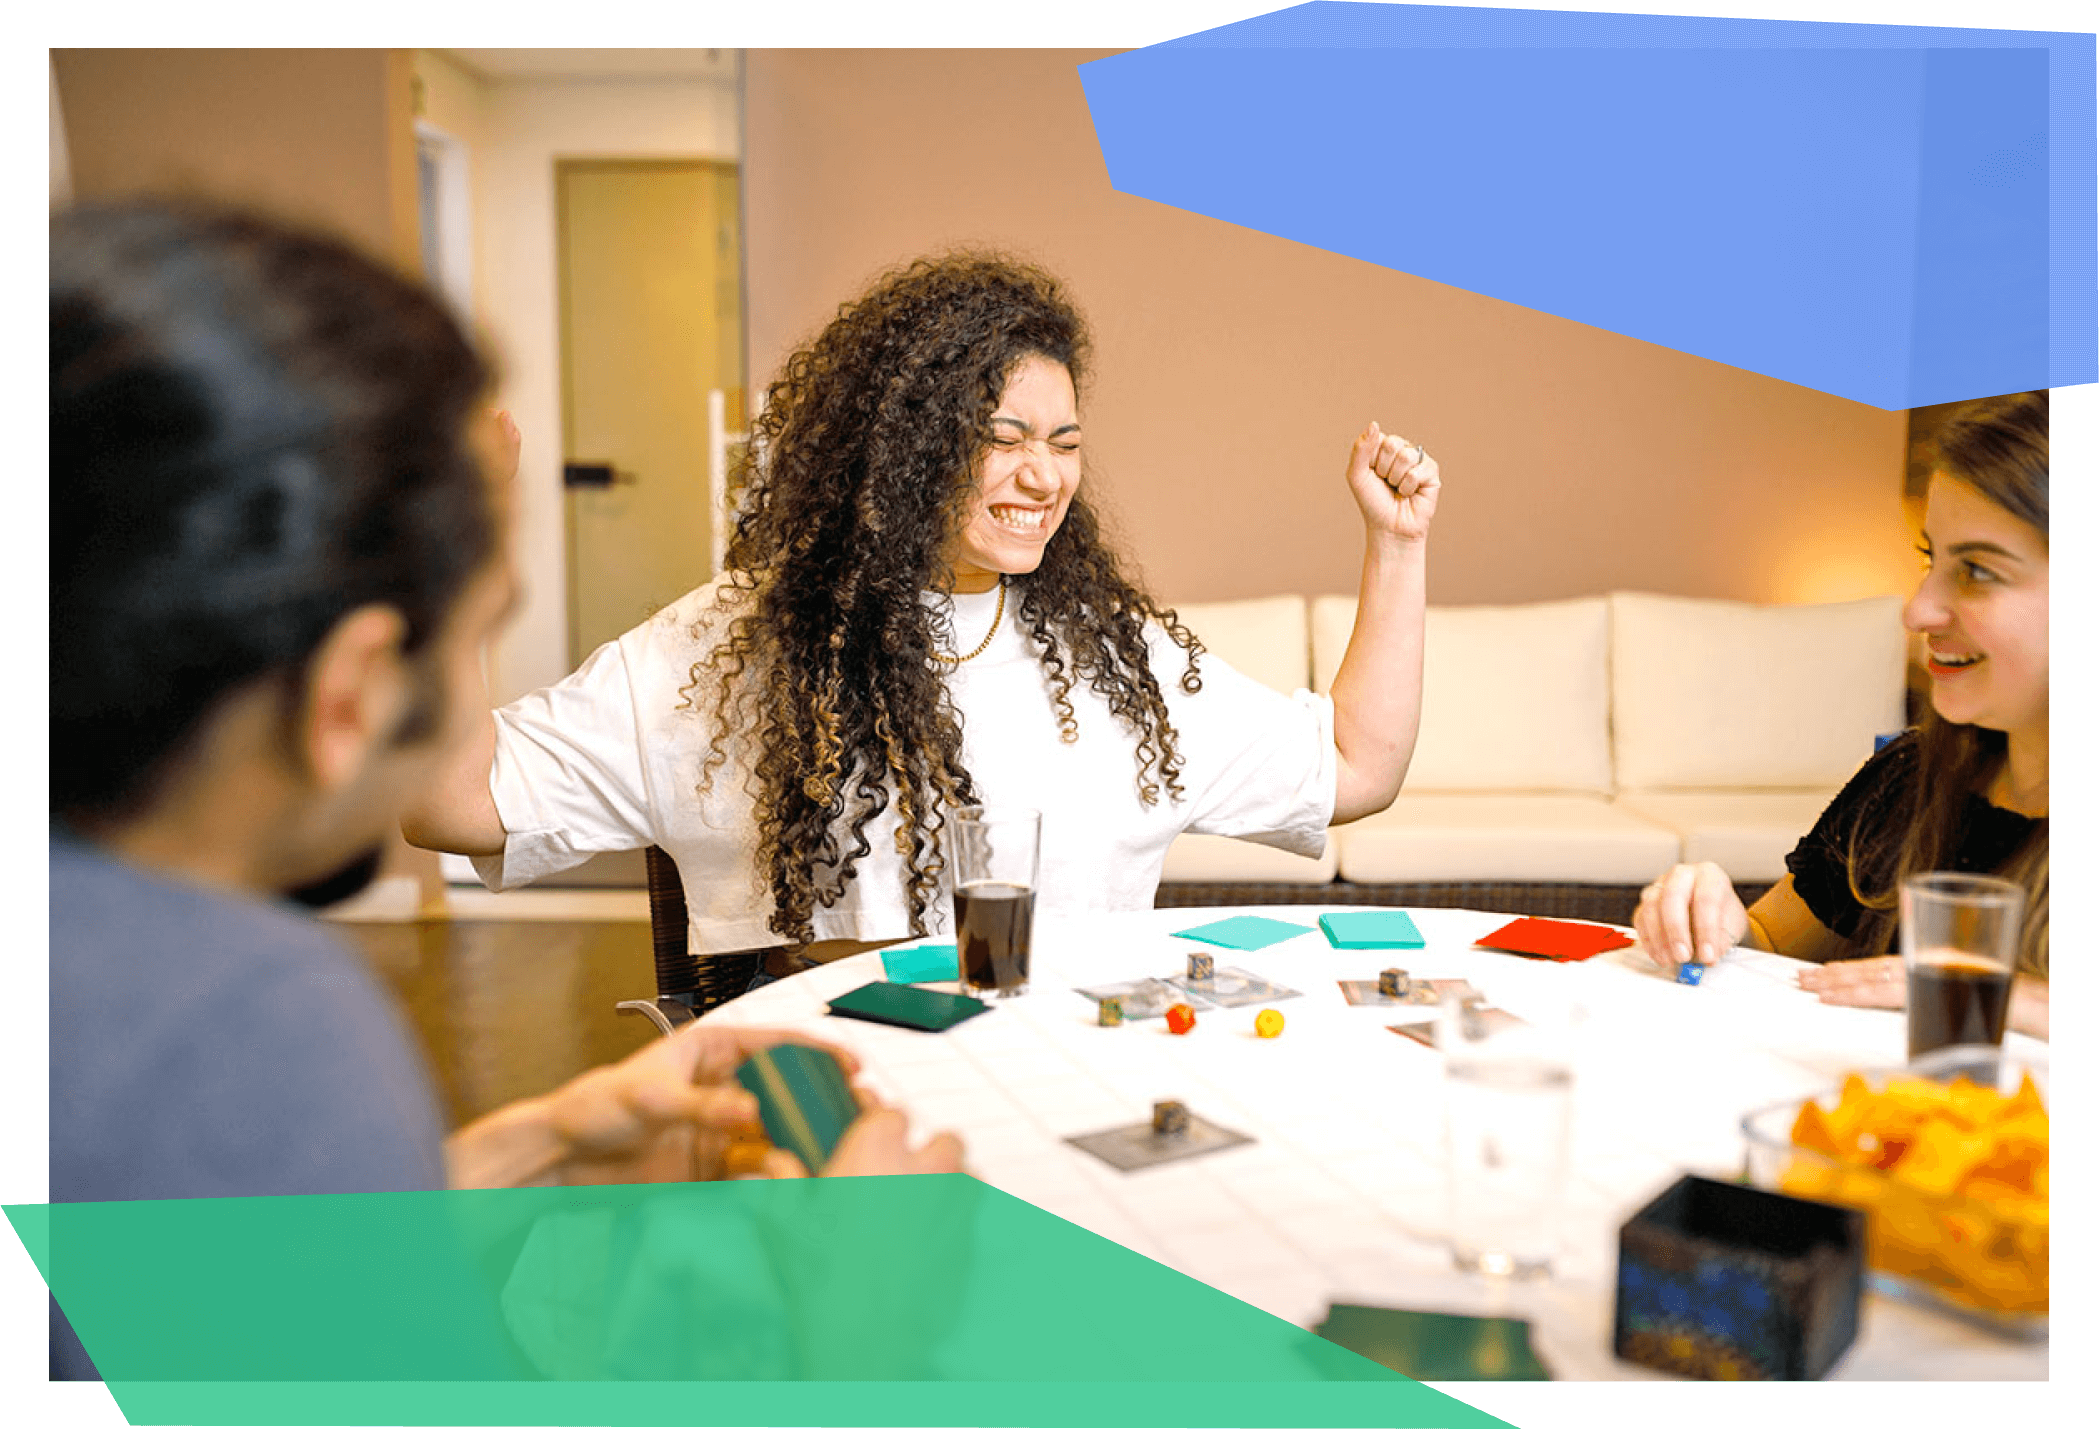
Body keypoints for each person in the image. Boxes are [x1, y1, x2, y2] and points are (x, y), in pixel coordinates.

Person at [48, 201, 962, 1381]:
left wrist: (526, 1150)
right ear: (352, 692)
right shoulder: (237, 1025)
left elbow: (237, 1296)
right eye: (477, 630)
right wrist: (846, 1334)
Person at [402, 253, 1440, 988]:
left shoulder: (1112, 655)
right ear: (902, 447)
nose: (1044, 475)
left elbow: (1358, 766)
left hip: (1075, 1099)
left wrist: (1394, 547)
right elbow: (449, 804)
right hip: (836, 1129)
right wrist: (456, 551)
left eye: (1065, 441)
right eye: (1002, 437)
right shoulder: (724, 647)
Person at [1631, 391, 2048, 1041]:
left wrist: (2013, 1001)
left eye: (1975, 570)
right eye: (1929, 560)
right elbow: (1772, 940)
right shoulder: (1909, 778)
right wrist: (1715, 916)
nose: (1917, 611)